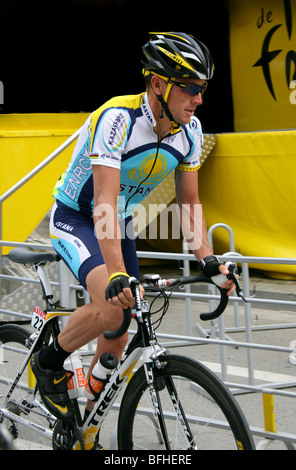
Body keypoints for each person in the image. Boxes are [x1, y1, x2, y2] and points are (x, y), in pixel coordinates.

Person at [31, 32, 236, 421]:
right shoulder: (118, 119)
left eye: (203, 88)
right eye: (191, 88)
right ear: (158, 84)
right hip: (77, 216)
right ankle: (48, 361)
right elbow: (103, 200)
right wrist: (118, 274)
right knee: (111, 309)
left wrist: (208, 260)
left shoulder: (190, 132)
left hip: (118, 223)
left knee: (120, 333)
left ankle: (86, 422)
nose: (200, 99)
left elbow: (189, 202)